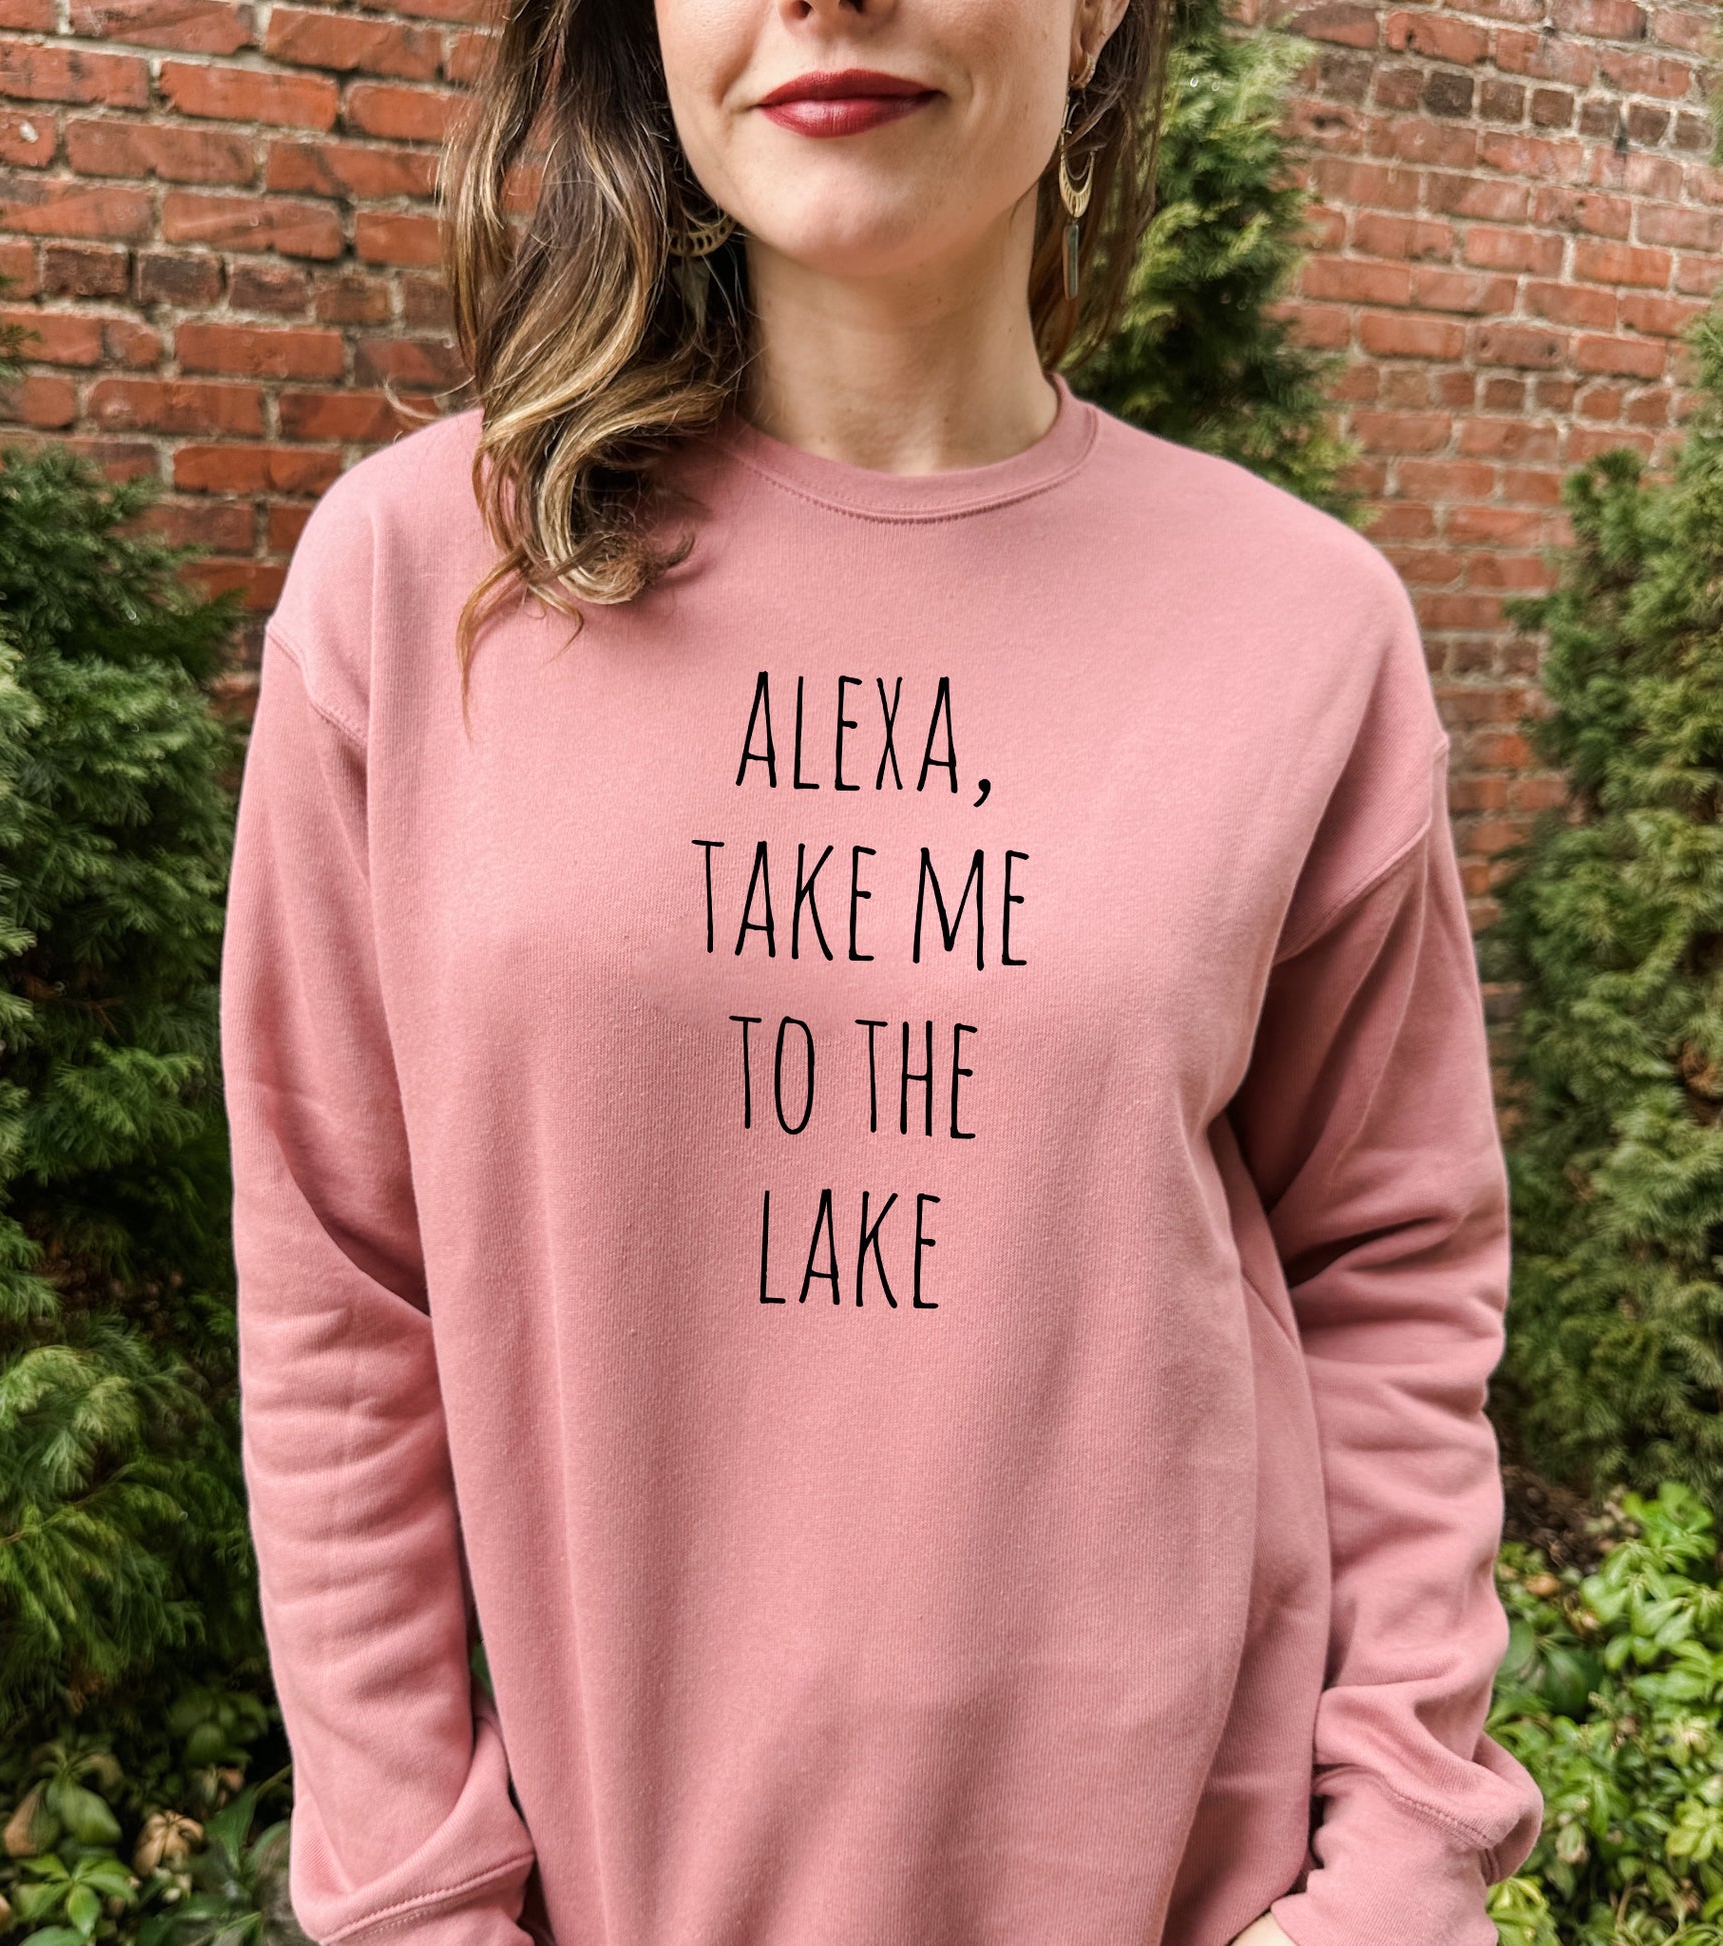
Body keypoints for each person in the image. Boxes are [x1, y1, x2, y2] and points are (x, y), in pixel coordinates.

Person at [217, 0, 1549, 1938]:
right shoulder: (427, 581)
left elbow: (1395, 1274)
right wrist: (420, 1901)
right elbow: (336, 1289)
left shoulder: (1300, 630)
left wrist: (1398, 1866)